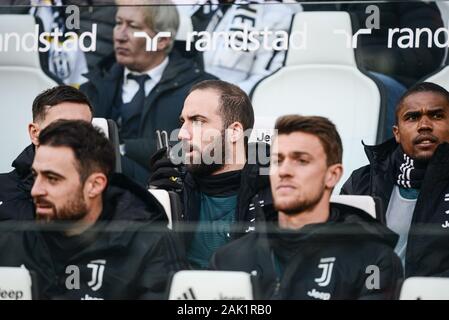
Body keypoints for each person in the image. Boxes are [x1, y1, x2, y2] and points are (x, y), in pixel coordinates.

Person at [210, 115, 403, 300]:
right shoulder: (228, 258)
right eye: (277, 161)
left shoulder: (374, 260)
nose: (284, 171)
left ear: (332, 175)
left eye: (301, 160)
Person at [0, 120, 185, 299]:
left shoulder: (149, 245)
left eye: (52, 178)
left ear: (94, 185)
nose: (36, 190)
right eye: (35, 176)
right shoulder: (13, 242)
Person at [80, 0, 216, 185]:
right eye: (118, 23)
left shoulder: (202, 90)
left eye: (133, 26)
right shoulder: (93, 86)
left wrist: (124, 149)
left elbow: (205, 148)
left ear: (162, 40)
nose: (120, 36)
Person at [149, 79, 272, 269]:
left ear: (234, 132)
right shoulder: (174, 186)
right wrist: (155, 205)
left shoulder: (276, 191)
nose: (182, 134)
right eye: (183, 121)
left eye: (197, 121)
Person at [341, 82, 449, 277]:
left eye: (436, 115)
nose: (424, 125)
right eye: (412, 117)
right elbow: (344, 258)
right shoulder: (362, 181)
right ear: (397, 133)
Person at [0, 85, 93, 221]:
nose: (75, 137)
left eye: (83, 129)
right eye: (62, 127)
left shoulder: (104, 194)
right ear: (35, 133)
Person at [188, 0, 302, 94]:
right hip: (195, 93)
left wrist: (220, 98)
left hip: (234, 105)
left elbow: (265, 78)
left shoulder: (278, 13)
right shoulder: (206, 6)